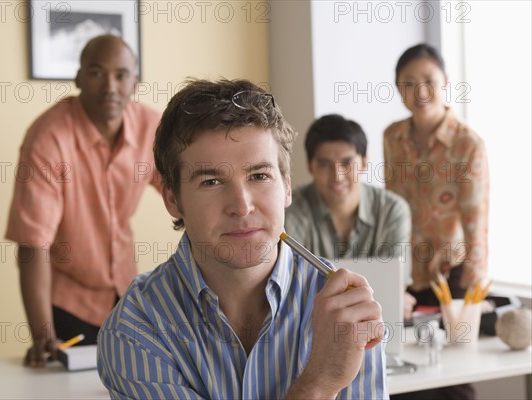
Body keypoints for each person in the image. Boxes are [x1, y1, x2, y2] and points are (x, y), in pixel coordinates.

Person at [97, 79, 388, 399]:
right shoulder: (136, 325)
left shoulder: (346, 307)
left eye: (259, 176)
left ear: (287, 188)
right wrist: (320, 382)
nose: (242, 205)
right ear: (172, 199)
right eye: (211, 181)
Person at [5, 35, 161, 367]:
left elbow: (186, 197)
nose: (110, 87)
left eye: (121, 75)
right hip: (68, 304)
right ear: (77, 78)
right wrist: (42, 334)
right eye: (96, 73)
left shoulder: (152, 128)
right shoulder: (48, 137)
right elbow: (33, 242)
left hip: (126, 296)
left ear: (135, 81)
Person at [384, 43, 489, 400]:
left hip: (453, 274)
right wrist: (388, 276)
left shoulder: (467, 144)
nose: (420, 91)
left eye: (428, 80)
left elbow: (477, 221)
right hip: (407, 274)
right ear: (399, 89)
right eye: (409, 83)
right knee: (404, 370)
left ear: (444, 81)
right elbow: (390, 208)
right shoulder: (392, 137)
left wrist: (472, 293)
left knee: (455, 377)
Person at [285, 114, 416, 320]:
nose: (337, 176)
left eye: (347, 163)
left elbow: (395, 292)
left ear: (364, 163)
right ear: (311, 166)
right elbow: (293, 295)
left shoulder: (393, 210)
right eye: (325, 164)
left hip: (379, 329)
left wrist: (395, 299)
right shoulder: (291, 211)